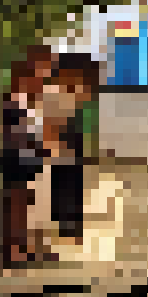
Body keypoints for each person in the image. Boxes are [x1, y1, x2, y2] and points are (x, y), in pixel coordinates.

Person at [0, 48, 56, 265]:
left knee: (31, 202)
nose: (45, 72)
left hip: (32, 153)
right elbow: (12, 128)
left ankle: (29, 246)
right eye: (43, 66)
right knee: (17, 202)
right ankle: (14, 249)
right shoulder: (16, 95)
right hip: (18, 154)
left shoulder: (37, 96)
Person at [48, 54, 102, 243]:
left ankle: (69, 223)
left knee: (72, 181)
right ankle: (66, 223)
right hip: (65, 139)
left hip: (74, 139)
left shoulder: (81, 92)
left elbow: (89, 120)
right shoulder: (61, 91)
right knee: (63, 181)